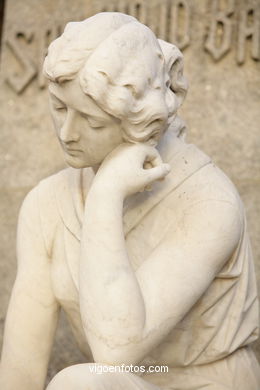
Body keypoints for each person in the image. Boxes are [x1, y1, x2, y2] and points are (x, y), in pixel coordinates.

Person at [0, 12, 259, 390]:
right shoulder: (47, 204)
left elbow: (116, 349)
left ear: (141, 122)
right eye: (59, 108)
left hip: (207, 385)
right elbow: (21, 370)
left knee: (81, 384)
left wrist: (105, 195)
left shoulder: (208, 202)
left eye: (91, 121)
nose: (67, 133)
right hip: (119, 383)